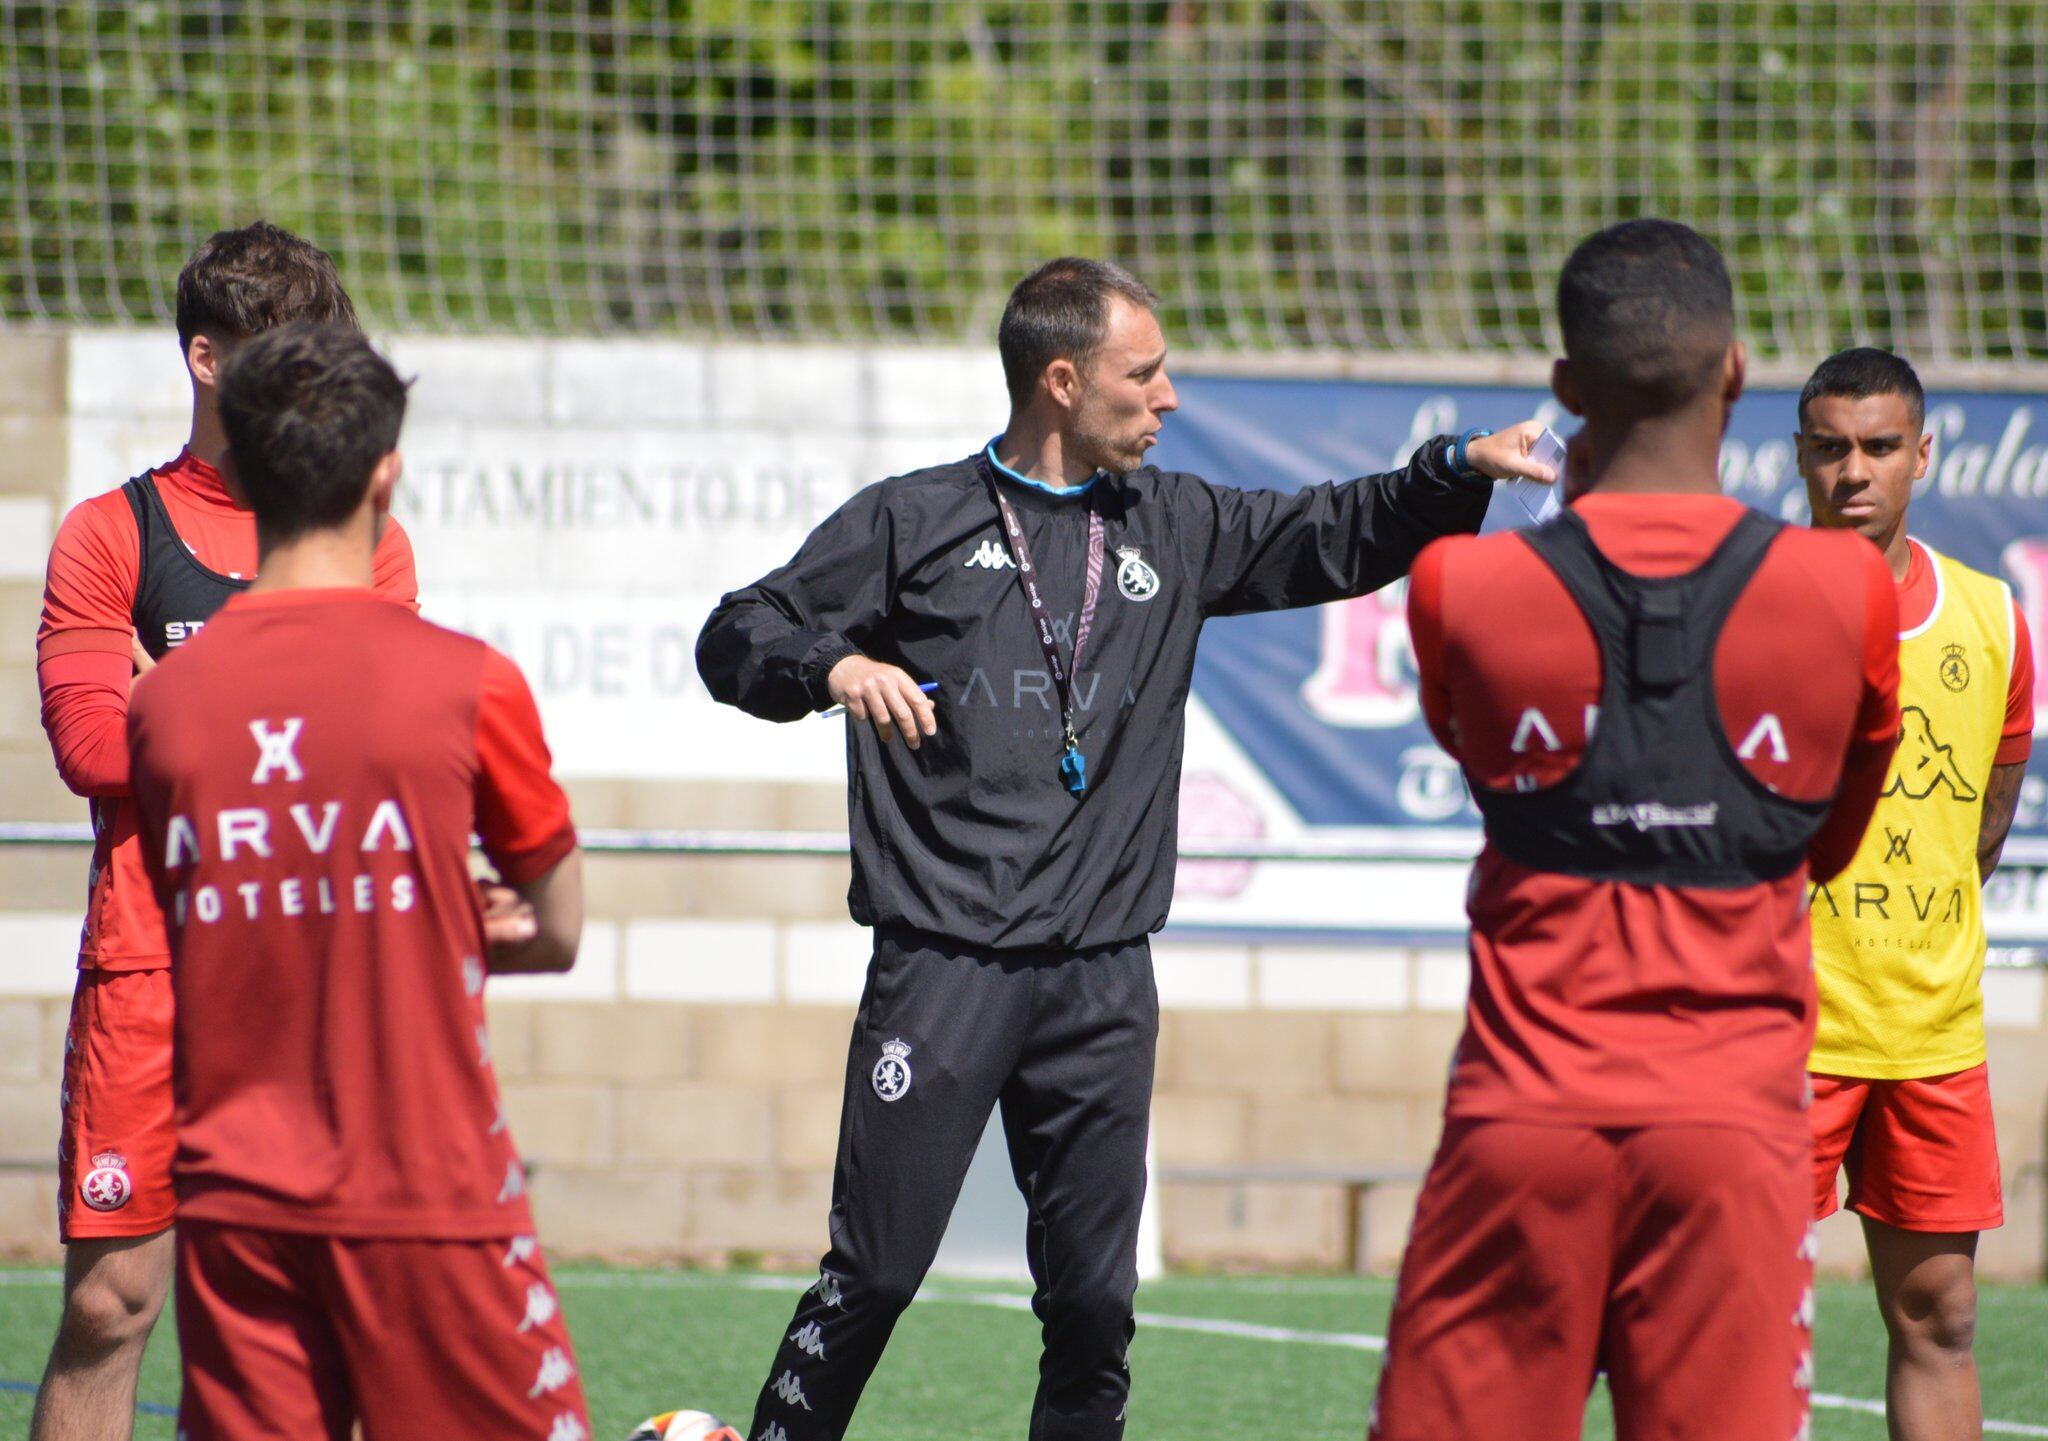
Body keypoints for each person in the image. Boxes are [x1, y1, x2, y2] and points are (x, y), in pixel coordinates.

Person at [696, 256, 1555, 1441]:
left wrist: (1448, 468)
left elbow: (1332, 532)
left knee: (1094, 1303)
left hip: (1102, 979)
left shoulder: (1178, 523)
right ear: (1061, 380)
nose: (1169, 398)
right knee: (876, 1273)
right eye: (1142, 373)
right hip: (942, 970)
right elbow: (737, 630)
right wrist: (832, 665)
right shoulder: (912, 519)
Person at [1370, 220, 1902, 1440]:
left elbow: (1484, 769)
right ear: (1734, 372)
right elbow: (1824, 840)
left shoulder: (1461, 585)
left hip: (1519, 1120)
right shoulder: (1845, 590)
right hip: (1734, 1132)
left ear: (1563, 387)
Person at [126, 322, 591, 1439]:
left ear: (239, 471)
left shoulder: (164, 706)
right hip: (426, 1194)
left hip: (234, 1207)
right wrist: (445, 920)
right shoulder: (466, 680)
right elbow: (559, 926)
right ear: (387, 471)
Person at [31, 222, 418, 1441]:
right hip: (150, 966)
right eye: (280, 356)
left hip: (309, 971)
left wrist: (175, 693)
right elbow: (93, 752)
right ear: (206, 358)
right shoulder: (111, 533)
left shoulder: (369, 541)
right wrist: (282, 707)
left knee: (294, 1319)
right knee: (110, 1301)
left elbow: (374, 759)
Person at [1798, 347, 2033, 1441]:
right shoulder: (1749, 606)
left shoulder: (1990, 616)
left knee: (1936, 1315)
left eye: (1878, 447)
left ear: (1921, 455)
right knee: (1731, 1314)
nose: (1854, 472)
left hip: (1930, 1030)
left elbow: (1988, 811)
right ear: (1799, 459)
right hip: (1777, 1030)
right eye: (1830, 448)